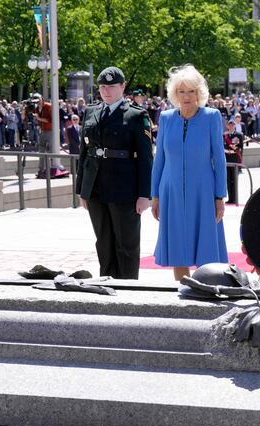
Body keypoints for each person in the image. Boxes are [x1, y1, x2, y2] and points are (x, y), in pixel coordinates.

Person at [151, 64, 228, 281]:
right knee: (178, 248)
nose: (186, 96)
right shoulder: (166, 118)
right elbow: (160, 159)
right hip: (171, 191)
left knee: (205, 246)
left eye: (191, 91)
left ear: (199, 93)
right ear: (175, 94)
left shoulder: (211, 117)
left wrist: (219, 196)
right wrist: (155, 195)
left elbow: (219, 159)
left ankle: (205, 289)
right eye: (181, 91)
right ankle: (182, 289)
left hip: (204, 191)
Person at [76, 66, 153, 279]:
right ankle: (106, 282)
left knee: (126, 244)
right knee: (103, 242)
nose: (106, 91)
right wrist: (82, 189)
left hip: (124, 188)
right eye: (102, 87)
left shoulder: (137, 116)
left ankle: (128, 288)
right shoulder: (91, 112)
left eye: (111, 86)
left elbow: (146, 158)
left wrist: (144, 194)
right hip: (96, 187)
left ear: (122, 86)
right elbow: (84, 152)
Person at [223, 119, 244, 204]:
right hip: (227, 159)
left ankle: (235, 198)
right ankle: (230, 198)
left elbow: (240, 147)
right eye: (230, 125)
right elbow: (221, 145)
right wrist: (226, 151)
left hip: (235, 159)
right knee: (228, 179)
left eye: (232, 125)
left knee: (234, 179)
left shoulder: (239, 135)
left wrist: (233, 151)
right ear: (227, 126)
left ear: (235, 126)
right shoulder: (224, 135)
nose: (231, 126)